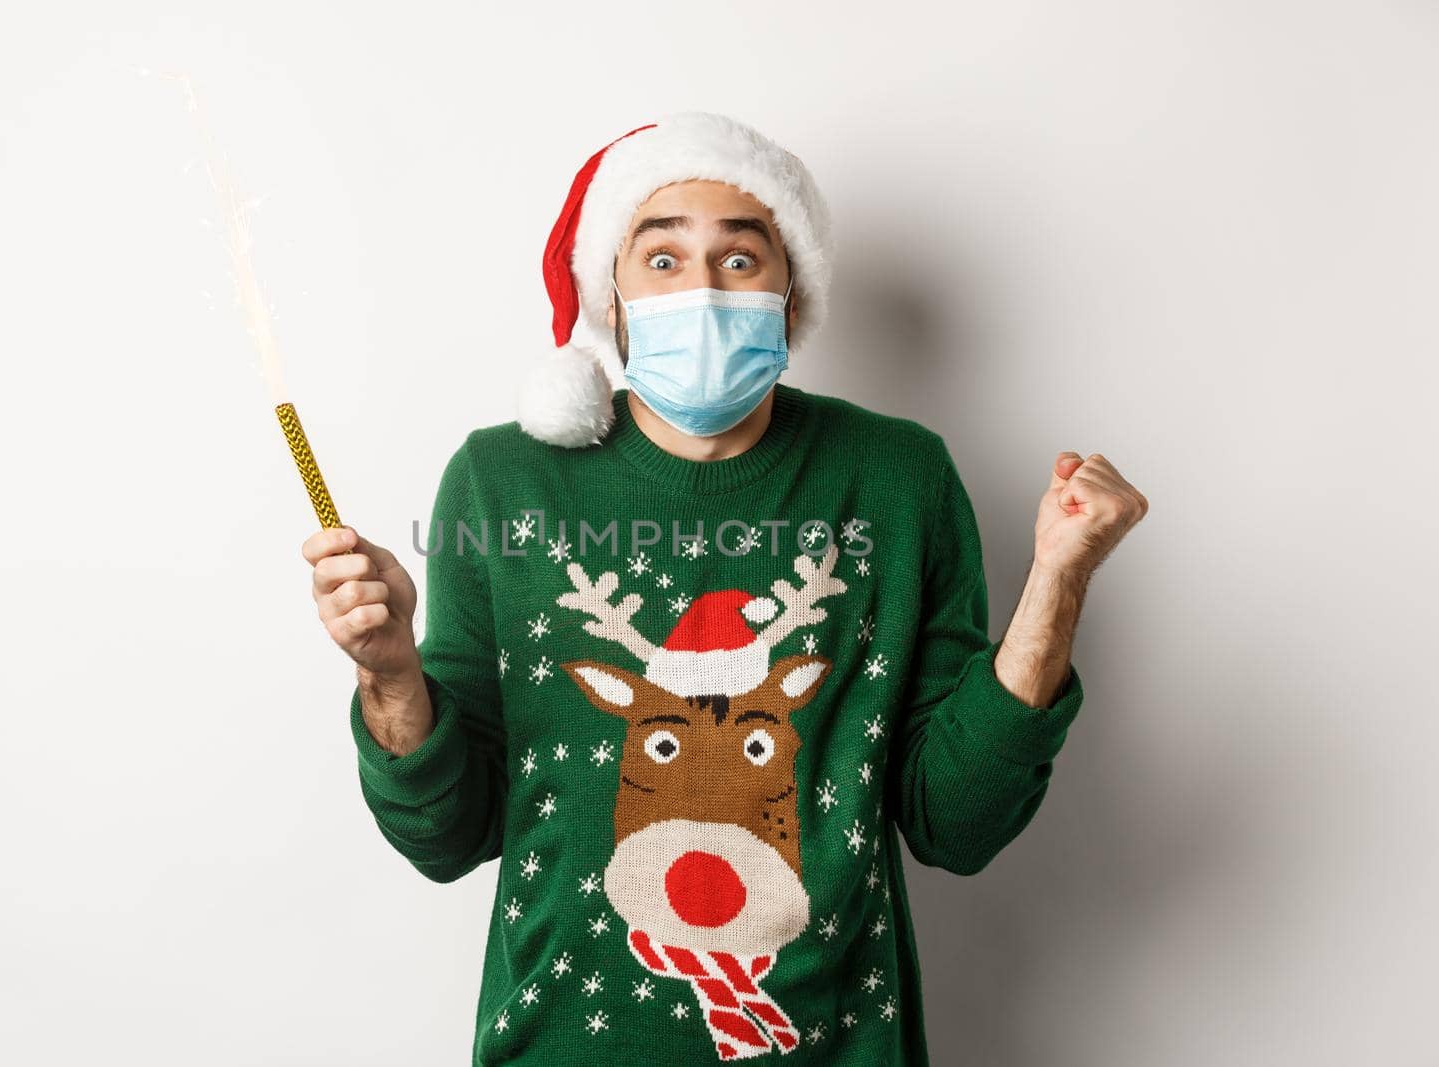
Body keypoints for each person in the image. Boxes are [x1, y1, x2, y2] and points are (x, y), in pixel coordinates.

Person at [302, 111, 1147, 1065]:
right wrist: (391, 676)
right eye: (662, 260)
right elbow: (449, 835)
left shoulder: (900, 478)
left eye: (740, 260)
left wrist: (1059, 580)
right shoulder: (500, 483)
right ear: (609, 298)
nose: (702, 290)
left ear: (793, 293)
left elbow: (953, 821)